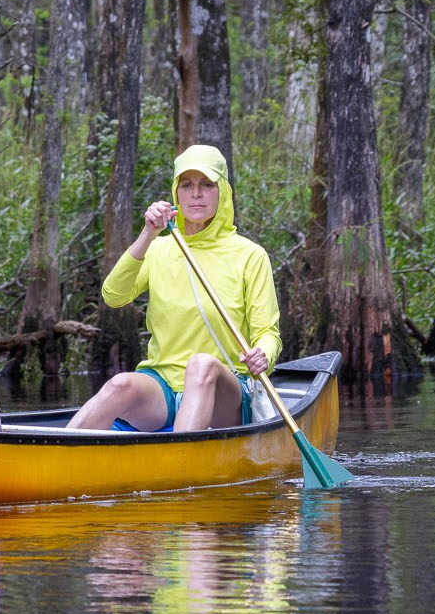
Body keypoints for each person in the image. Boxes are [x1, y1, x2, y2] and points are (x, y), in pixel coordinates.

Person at [67, 144, 280, 433]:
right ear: (176, 192)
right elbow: (113, 296)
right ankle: (50, 458)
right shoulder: (158, 249)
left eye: (207, 185)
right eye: (187, 184)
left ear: (223, 193)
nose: (196, 194)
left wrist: (263, 354)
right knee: (120, 383)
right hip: (164, 388)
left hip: (225, 392)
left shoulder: (250, 255)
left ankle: (179, 465)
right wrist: (148, 234)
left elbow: (268, 333)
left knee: (202, 366)